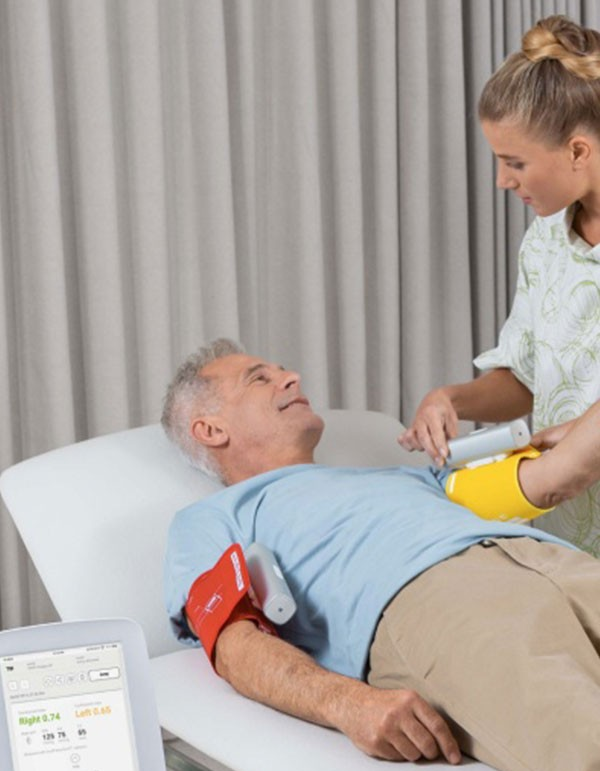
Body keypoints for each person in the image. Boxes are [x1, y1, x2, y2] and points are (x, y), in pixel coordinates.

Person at [163, 338, 600, 771]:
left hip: (555, 563)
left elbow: (557, 474)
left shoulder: (410, 477)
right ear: (211, 430)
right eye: (260, 379)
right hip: (440, 605)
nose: (292, 377)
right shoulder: (213, 518)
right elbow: (232, 643)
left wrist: (571, 428)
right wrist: (348, 703)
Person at [398, 15, 600, 555]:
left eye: (515, 163)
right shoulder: (545, 240)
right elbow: (526, 378)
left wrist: (584, 431)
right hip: (566, 531)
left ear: (578, 151)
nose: (503, 181)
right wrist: (451, 399)